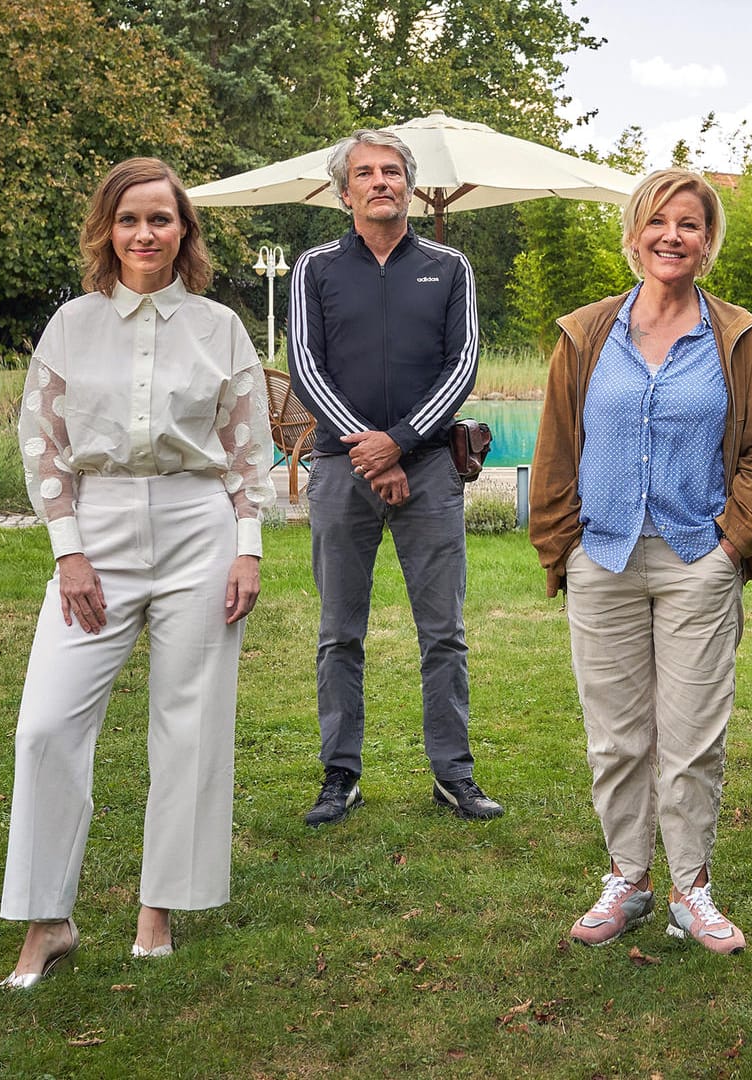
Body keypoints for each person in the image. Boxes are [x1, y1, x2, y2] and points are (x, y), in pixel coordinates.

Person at [0, 157, 275, 987]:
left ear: (184, 231)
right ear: (106, 231)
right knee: (46, 726)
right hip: (100, 531)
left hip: (200, 527)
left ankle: (160, 904)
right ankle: (48, 919)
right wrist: (68, 550)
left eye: (161, 219)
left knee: (189, 725)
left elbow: (247, 446)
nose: (146, 234)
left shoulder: (220, 326)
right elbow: (41, 444)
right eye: (129, 220)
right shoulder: (73, 325)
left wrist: (249, 547)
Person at [529, 168, 752, 955]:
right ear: (636, 233)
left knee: (691, 735)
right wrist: (563, 545)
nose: (673, 236)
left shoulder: (737, 337)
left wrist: (727, 546)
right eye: (660, 222)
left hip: (693, 562)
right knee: (615, 736)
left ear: (707, 244)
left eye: (690, 225)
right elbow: (554, 453)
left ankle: (692, 889)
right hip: (601, 558)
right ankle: (626, 879)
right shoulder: (586, 334)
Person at [290, 129, 501, 826]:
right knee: (337, 632)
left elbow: (463, 363)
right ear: (342, 190)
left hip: (431, 471)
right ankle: (339, 775)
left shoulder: (449, 265)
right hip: (342, 474)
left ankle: (453, 775)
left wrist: (402, 443)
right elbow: (304, 368)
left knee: (443, 631)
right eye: (366, 173)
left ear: (407, 185)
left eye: (392, 172)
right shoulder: (314, 268)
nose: (381, 181)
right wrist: (368, 453)